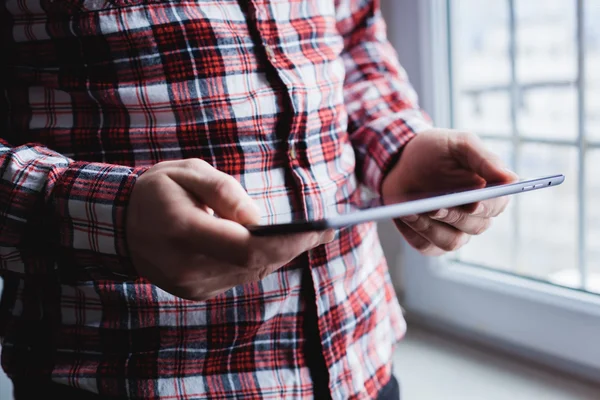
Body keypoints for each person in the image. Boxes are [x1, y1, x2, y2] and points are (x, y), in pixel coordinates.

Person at [0, 0, 516, 398]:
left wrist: (396, 145)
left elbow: (353, 37)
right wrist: (108, 216)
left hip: (362, 361)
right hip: (126, 379)